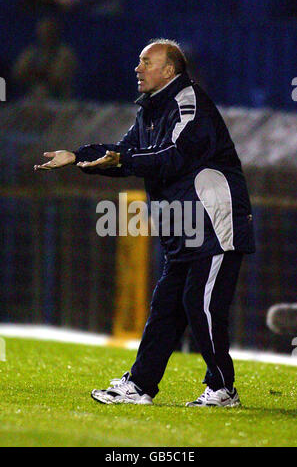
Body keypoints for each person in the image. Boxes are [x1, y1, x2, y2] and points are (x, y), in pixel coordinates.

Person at [34, 39, 255, 407]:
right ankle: (140, 385)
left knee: (200, 304)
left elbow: (174, 156)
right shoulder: (150, 110)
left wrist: (122, 159)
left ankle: (222, 388)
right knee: (167, 307)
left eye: (146, 61)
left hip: (215, 220)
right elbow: (123, 155)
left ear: (169, 70)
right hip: (183, 224)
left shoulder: (189, 101)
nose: (138, 68)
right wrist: (76, 156)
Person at [12, 17, 78, 100]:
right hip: (34, 97)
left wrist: (34, 72)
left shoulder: (65, 53)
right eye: (43, 31)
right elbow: (18, 74)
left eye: (49, 31)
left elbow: (57, 78)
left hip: (59, 100)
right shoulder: (31, 53)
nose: (46, 34)